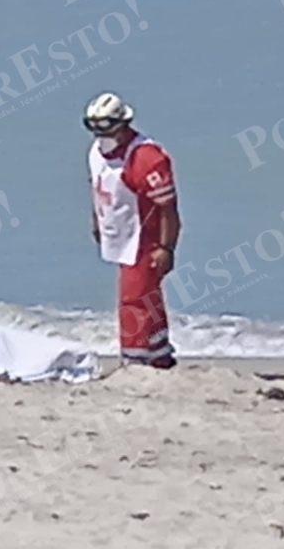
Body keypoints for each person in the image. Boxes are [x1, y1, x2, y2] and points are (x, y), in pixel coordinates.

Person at [84, 91, 180, 369]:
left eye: (105, 125)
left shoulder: (147, 159)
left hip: (145, 238)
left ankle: (136, 358)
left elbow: (168, 209)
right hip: (119, 234)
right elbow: (97, 186)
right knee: (146, 297)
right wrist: (96, 221)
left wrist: (166, 247)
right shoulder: (96, 153)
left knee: (135, 298)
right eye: (93, 126)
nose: (100, 133)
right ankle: (159, 354)